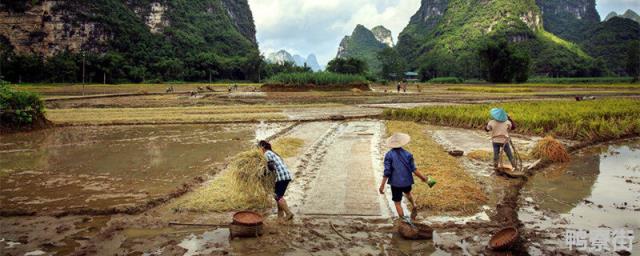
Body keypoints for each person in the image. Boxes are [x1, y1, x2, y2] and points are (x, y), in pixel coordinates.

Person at [378, 133, 428, 221]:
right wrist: (423, 178)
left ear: (391, 144)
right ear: (402, 143)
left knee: (397, 203)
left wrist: (382, 185)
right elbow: (414, 169)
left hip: (395, 183)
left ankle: (404, 220)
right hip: (407, 182)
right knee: (408, 193)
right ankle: (414, 205)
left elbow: (387, 172)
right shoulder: (408, 154)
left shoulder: (389, 155)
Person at [258, 140, 294, 221]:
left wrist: (262, 173)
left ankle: (288, 213)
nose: (259, 150)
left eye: (259, 148)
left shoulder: (267, 154)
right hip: (286, 175)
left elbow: (271, 166)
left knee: (278, 196)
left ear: (262, 147)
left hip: (281, 177)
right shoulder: (272, 153)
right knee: (278, 195)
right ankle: (280, 214)